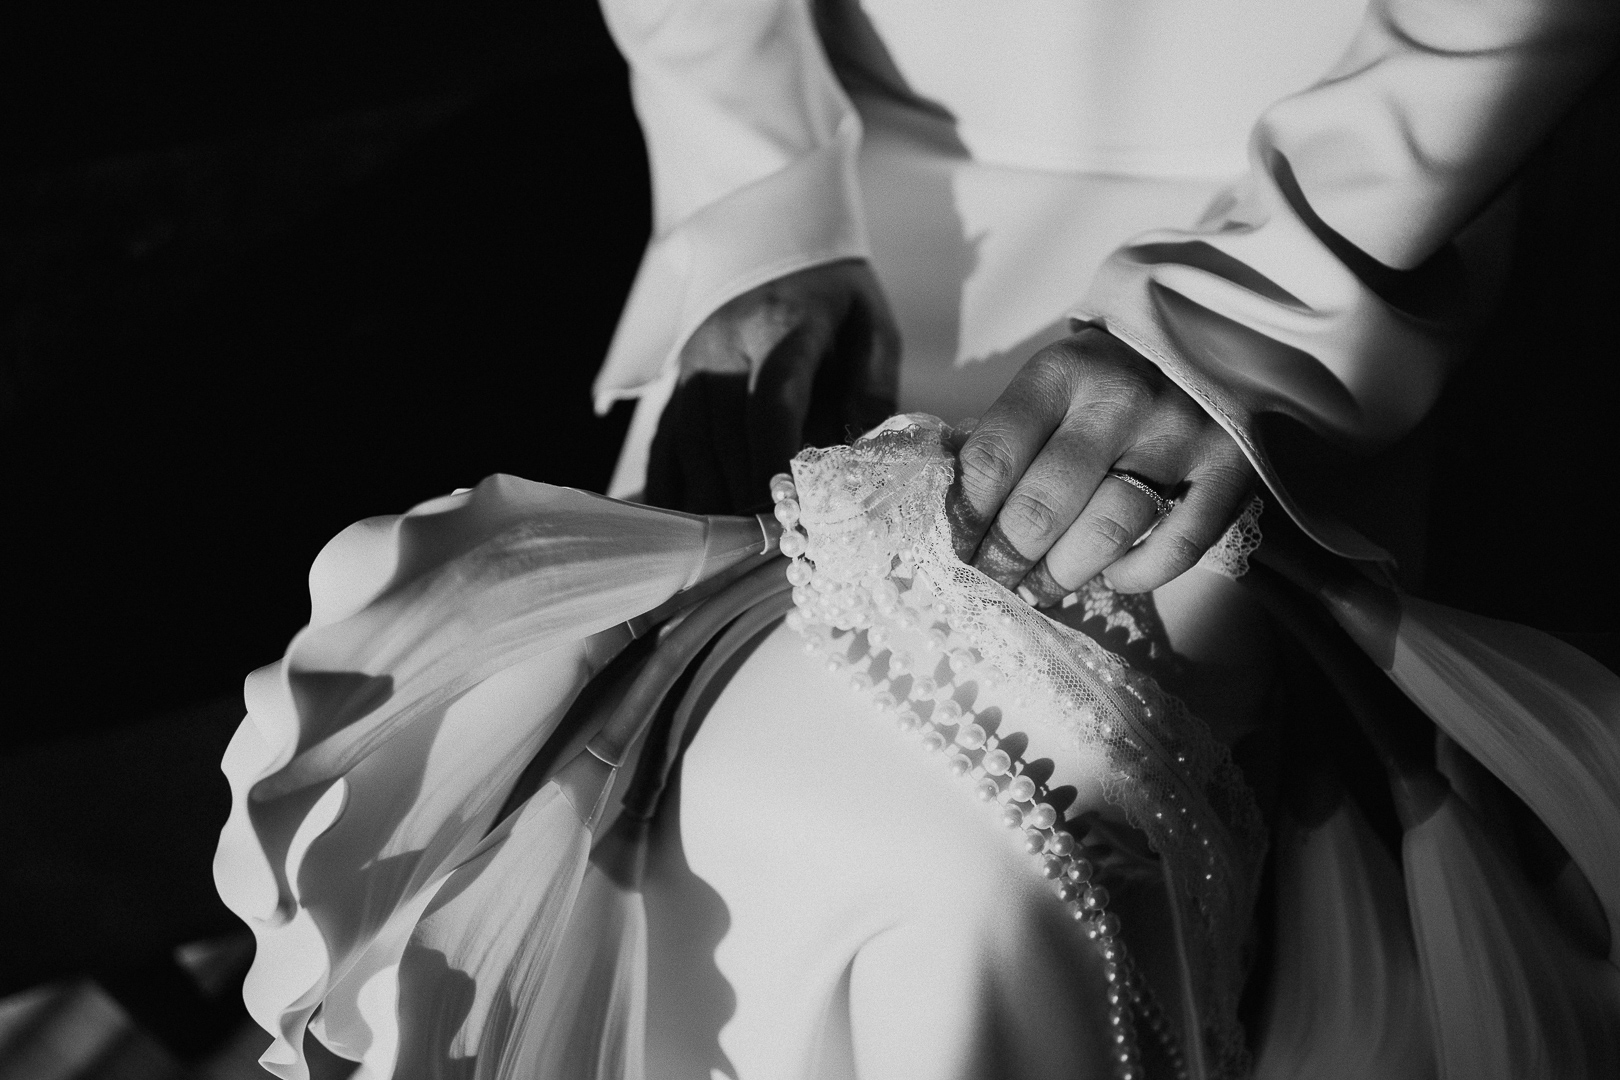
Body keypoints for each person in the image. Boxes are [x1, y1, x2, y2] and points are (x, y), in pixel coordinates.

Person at [214, 2, 1620, 1077]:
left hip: (1334, 194)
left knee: (967, 868)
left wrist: (1256, 305)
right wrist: (755, 207)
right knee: (656, 797)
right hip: (847, 201)